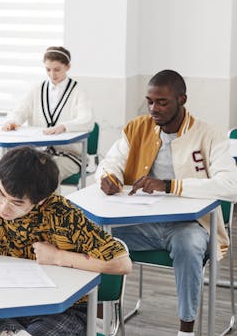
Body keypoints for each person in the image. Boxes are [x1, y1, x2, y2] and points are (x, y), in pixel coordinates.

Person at [0, 146, 132, 336]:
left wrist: (58, 257)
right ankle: (13, 332)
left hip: (62, 308)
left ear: (41, 201)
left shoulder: (63, 215)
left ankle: (9, 331)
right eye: (1, 193)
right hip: (11, 301)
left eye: (17, 203)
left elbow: (122, 263)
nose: (3, 207)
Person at [98, 69, 237, 336]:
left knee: (187, 244)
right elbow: (109, 162)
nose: (154, 108)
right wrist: (109, 177)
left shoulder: (209, 135)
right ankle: (102, 320)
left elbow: (231, 185)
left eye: (162, 102)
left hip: (191, 225)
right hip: (141, 221)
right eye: (150, 101)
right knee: (97, 235)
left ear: (181, 100)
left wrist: (171, 185)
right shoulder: (137, 128)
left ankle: (186, 329)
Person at [2, 46, 94, 183]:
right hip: (39, 154)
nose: (52, 74)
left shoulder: (79, 90)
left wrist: (64, 126)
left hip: (70, 155)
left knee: (48, 174)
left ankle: (51, 205)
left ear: (67, 67)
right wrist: (13, 121)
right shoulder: (37, 89)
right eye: (48, 69)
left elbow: (87, 121)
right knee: (17, 170)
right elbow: (20, 110)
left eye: (57, 70)